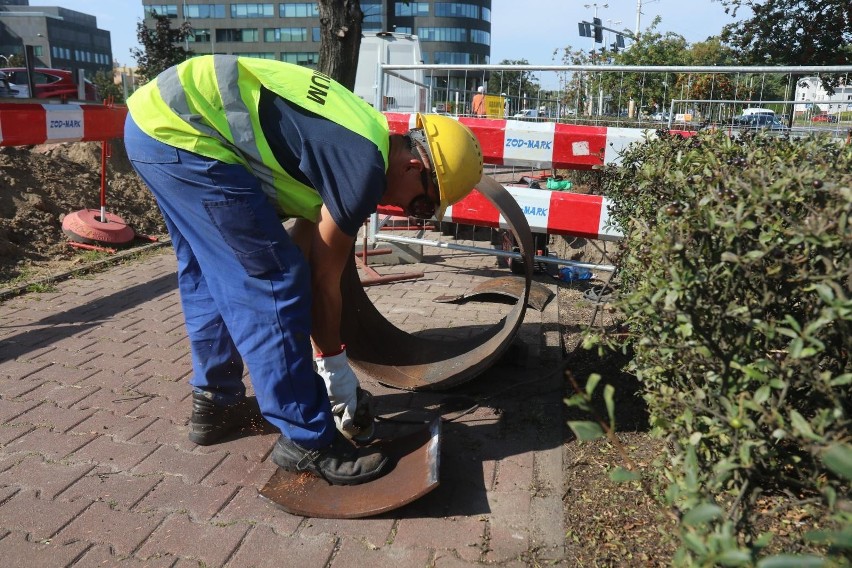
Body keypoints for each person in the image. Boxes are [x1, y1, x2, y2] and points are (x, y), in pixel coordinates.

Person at [123, 55, 483, 486]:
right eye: (421, 204)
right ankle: (306, 440)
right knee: (273, 282)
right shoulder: (362, 169)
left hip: (153, 125)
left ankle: (215, 403)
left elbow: (306, 247)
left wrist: (325, 356)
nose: (411, 213)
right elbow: (316, 280)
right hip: (187, 135)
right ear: (412, 166)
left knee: (209, 272)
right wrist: (334, 371)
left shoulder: (362, 134)